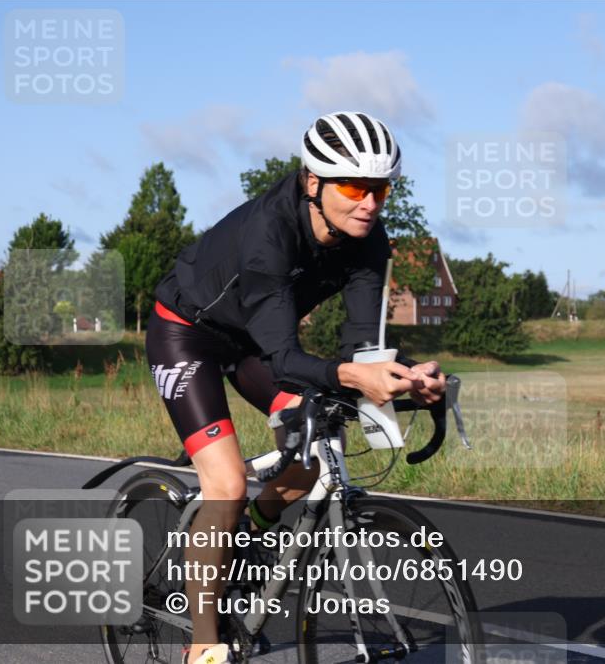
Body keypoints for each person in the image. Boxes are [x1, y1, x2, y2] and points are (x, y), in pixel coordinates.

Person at [146, 111, 446, 664]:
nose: (371, 203)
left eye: (381, 189)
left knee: (315, 450)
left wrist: (405, 378)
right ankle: (204, 645)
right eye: (356, 187)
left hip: (252, 343)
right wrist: (357, 376)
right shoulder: (270, 234)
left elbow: (361, 349)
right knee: (228, 484)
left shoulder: (369, 240)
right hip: (186, 334)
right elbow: (287, 359)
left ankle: (250, 542)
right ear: (314, 182)